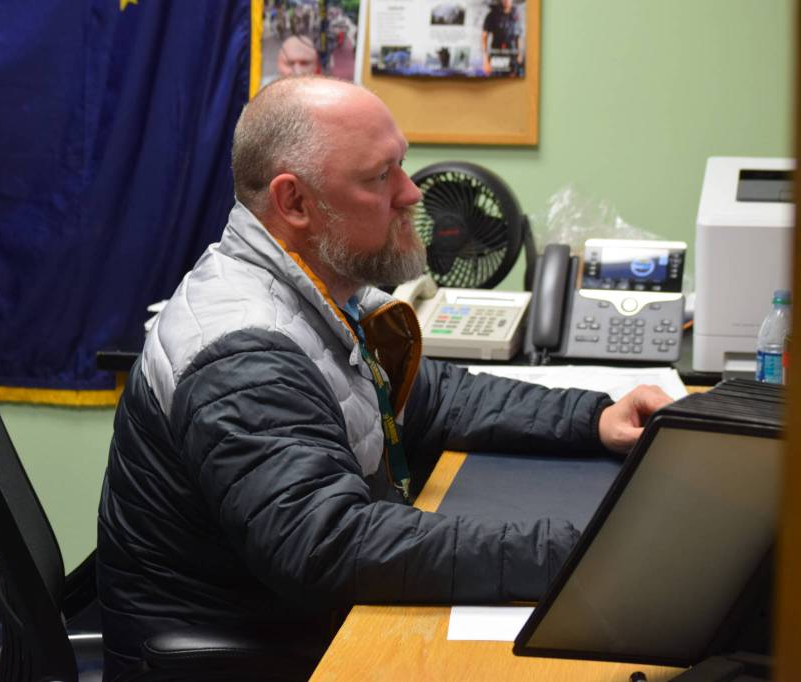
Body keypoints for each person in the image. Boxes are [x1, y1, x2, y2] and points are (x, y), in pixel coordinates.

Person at [96, 76, 671, 673]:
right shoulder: (244, 356)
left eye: (403, 166)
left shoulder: (325, 294)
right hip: (252, 653)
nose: (412, 194)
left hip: (290, 619)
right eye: (380, 176)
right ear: (294, 203)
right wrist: (572, 552)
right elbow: (326, 544)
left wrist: (596, 417)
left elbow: (436, 397)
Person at [481, 0, 524, 76]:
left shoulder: (516, 16)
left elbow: (519, 37)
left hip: (512, 57)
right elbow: (484, 37)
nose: (506, 1)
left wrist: (519, 54)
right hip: (497, 55)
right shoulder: (492, 15)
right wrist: (485, 60)